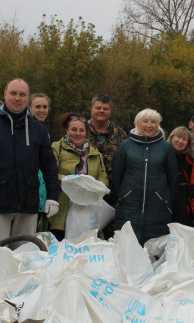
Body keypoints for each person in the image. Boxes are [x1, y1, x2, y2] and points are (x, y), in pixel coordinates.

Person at [0, 78, 60, 244]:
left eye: (22, 94)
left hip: (28, 204)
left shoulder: (38, 128)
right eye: (13, 93)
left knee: (25, 256)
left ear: (28, 97)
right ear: (5, 95)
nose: (17, 98)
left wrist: (53, 196)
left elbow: (49, 165)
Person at [111, 109, 177, 244]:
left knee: (155, 254)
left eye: (153, 122)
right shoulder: (126, 146)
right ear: (137, 124)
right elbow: (117, 176)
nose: (149, 125)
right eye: (145, 121)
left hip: (158, 209)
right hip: (128, 208)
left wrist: (165, 201)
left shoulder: (166, 147)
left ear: (158, 125)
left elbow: (173, 179)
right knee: (126, 249)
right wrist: (122, 198)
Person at [50, 113, 108, 241]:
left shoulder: (94, 152)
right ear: (66, 130)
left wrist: (94, 186)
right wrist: (69, 181)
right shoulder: (56, 148)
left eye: (81, 130)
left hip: (87, 210)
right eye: (73, 129)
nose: (78, 133)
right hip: (63, 207)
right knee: (61, 248)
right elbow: (50, 173)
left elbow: (103, 177)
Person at [86, 94, 128, 188]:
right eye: (98, 108)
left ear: (110, 111)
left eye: (105, 109)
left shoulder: (120, 134)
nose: (101, 111)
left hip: (113, 191)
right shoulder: (80, 131)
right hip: (86, 188)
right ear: (91, 110)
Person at [30, 93, 52, 230]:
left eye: (45, 107)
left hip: (41, 191)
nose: (42, 110)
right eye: (37, 106)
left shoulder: (44, 130)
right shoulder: (27, 129)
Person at [168, 126, 194, 227]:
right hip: (163, 212)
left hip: (184, 214)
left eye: (184, 139)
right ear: (171, 138)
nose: (180, 141)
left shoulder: (190, 163)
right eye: (178, 137)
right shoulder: (162, 158)